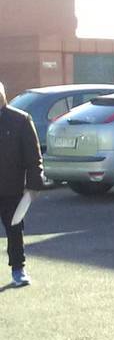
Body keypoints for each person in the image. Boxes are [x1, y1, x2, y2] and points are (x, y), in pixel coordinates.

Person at [0, 81, 44, 287]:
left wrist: (34, 186)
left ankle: (18, 269)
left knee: (14, 230)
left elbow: (34, 158)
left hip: (11, 188)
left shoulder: (20, 120)